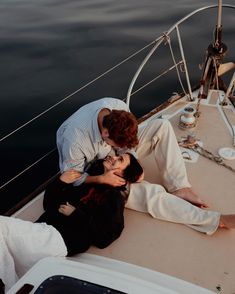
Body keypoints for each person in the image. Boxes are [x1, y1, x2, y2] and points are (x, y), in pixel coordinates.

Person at [0, 153, 143, 292]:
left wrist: (76, 214)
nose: (113, 156)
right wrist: (60, 182)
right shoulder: (89, 181)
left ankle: (13, 287)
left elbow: (105, 237)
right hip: (41, 231)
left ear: (122, 176)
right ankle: (13, 283)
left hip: (57, 241)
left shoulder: (113, 198)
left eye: (120, 159)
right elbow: (49, 204)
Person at [56, 97, 206, 214]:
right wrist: (101, 179)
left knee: (162, 126)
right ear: (105, 133)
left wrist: (135, 163)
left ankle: (179, 187)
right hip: (93, 166)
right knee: (135, 190)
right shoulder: (75, 140)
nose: (123, 148)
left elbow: (128, 145)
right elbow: (72, 177)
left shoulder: (117, 106)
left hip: (114, 155)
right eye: (119, 145)